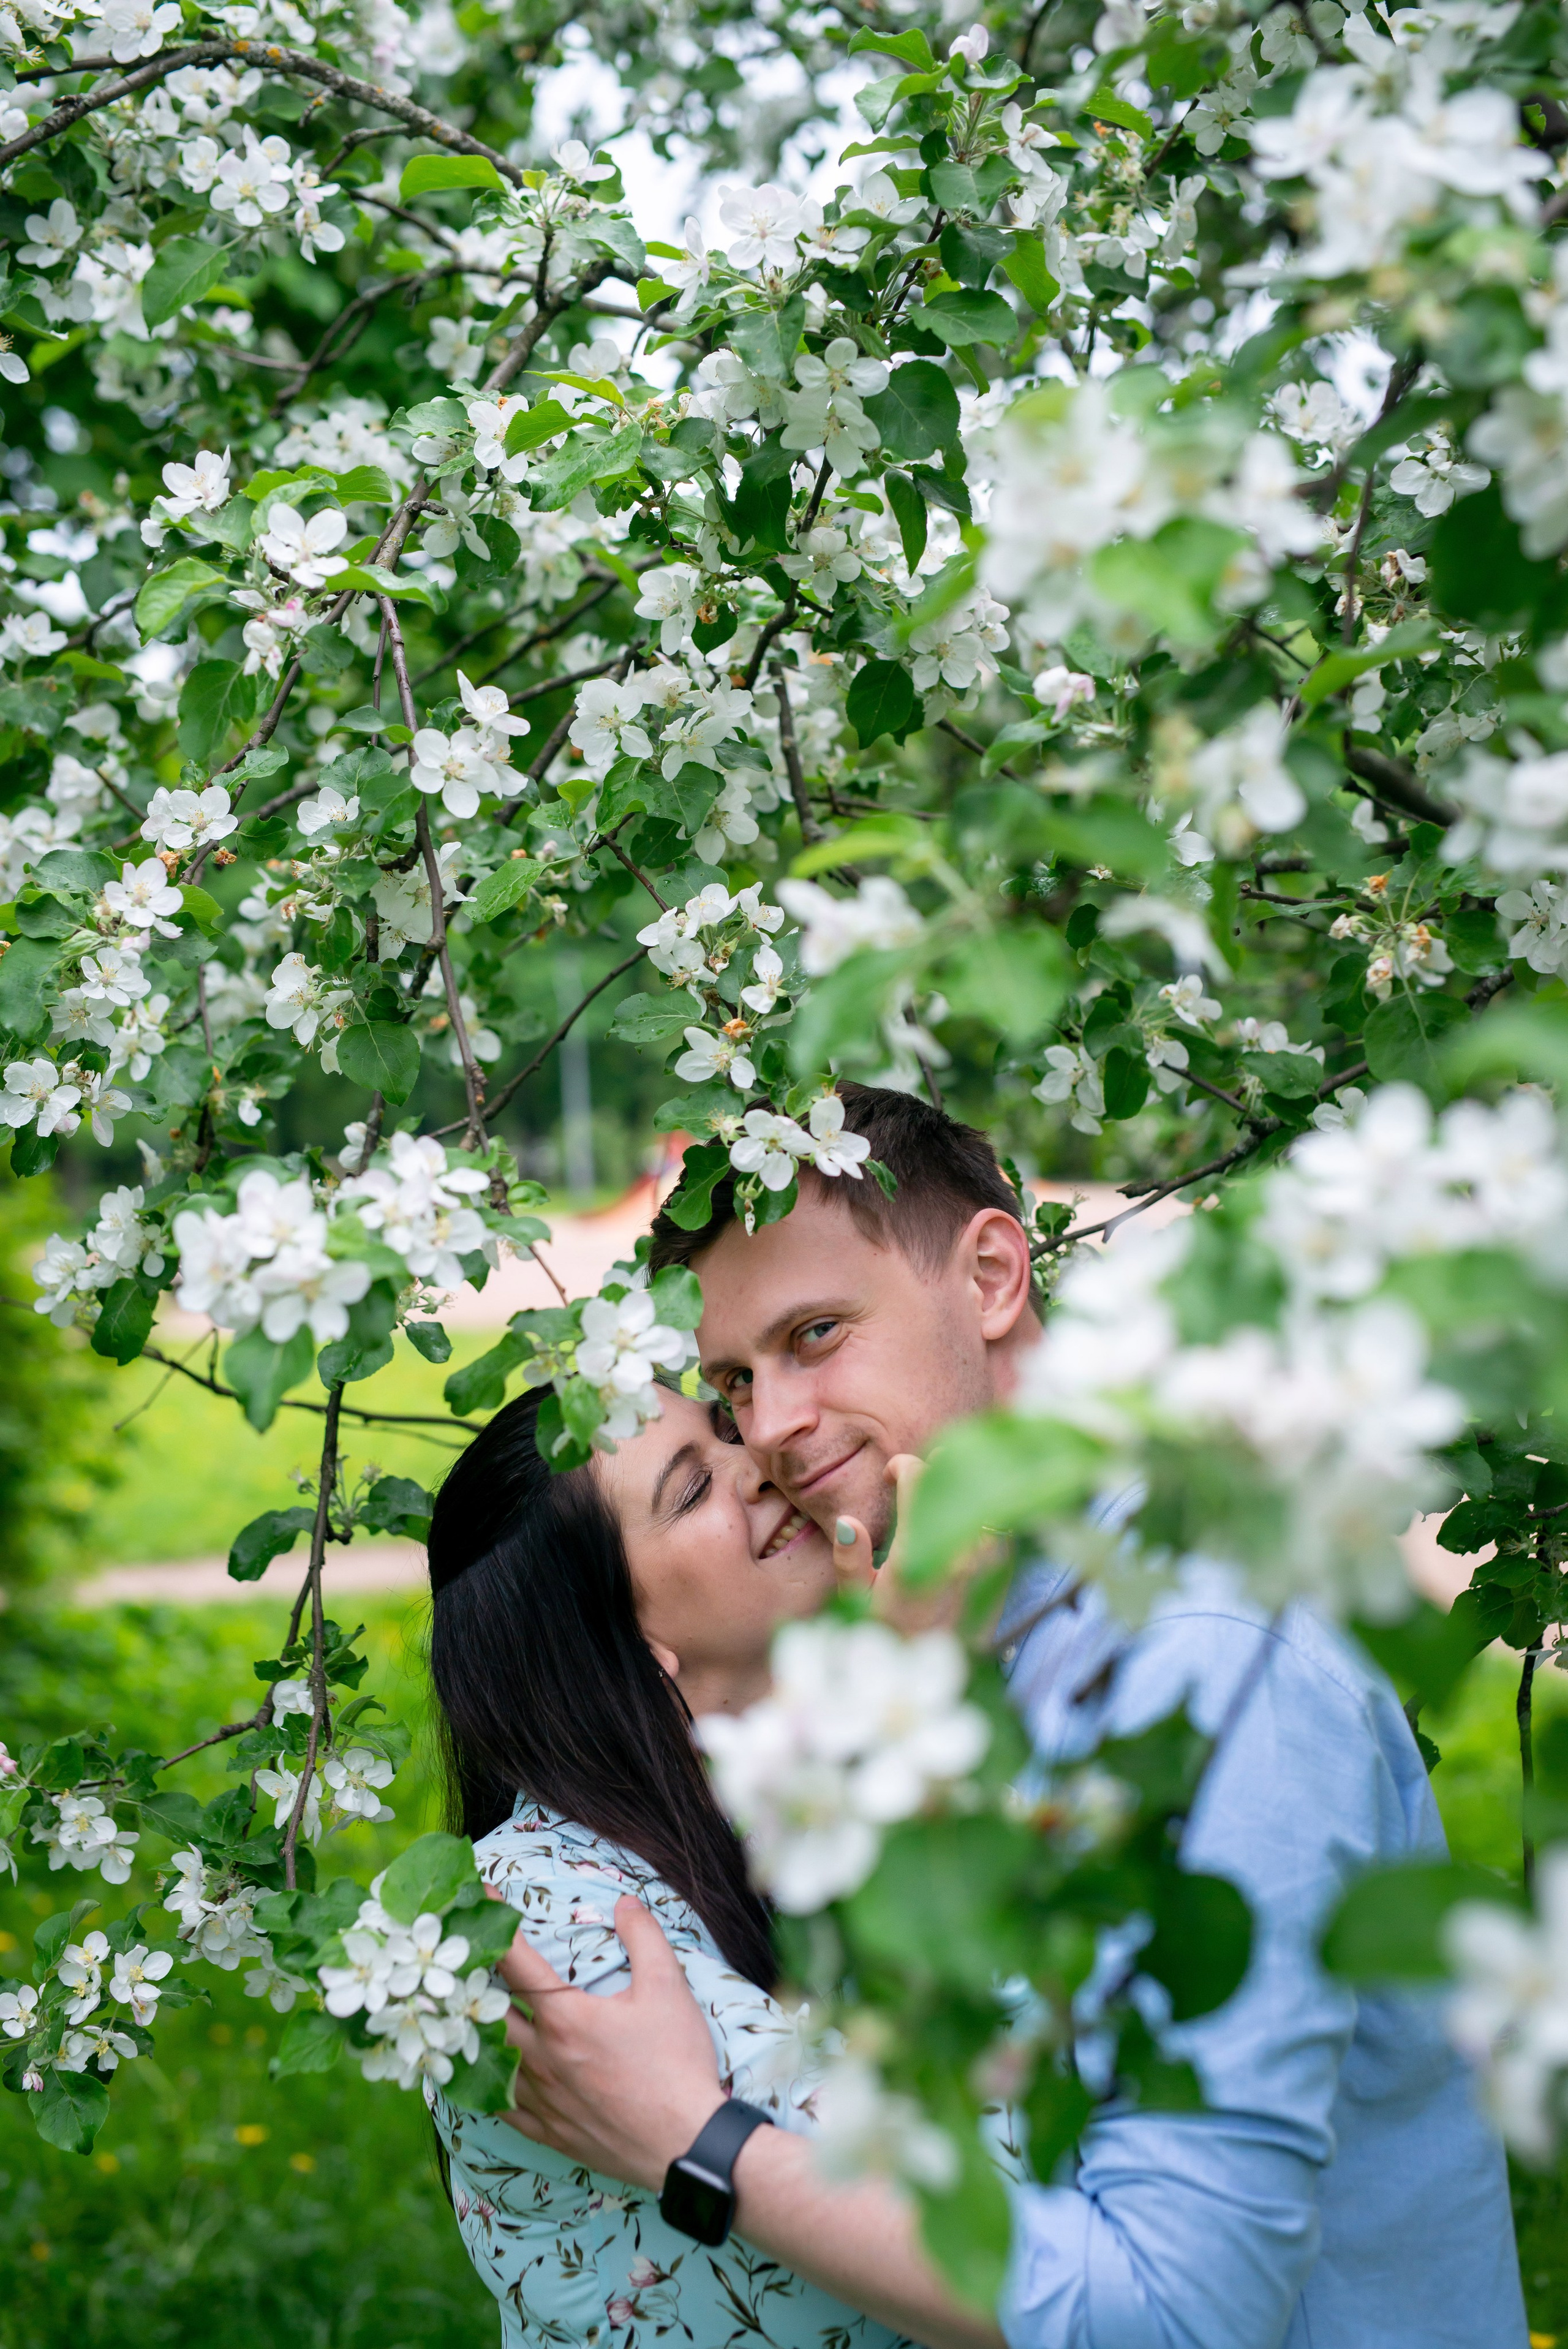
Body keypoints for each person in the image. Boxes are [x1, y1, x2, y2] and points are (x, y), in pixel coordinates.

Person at [492, 1084, 1528, 2349]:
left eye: (813, 1334)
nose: (766, 1431)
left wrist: (694, 2138)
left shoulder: (1196, 1669)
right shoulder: (939, 1624)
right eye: (730, 1380)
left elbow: (1172, 2313)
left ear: (988, 1275)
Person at [424, 1376, 952, 2349]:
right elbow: (1013, 2236)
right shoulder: (537, 1921)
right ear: (623, 1639)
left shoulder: (787, 1804)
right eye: (693, 1489)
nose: (762, 1463)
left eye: (725, 1430)